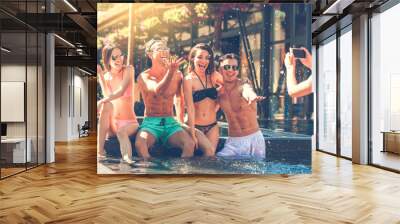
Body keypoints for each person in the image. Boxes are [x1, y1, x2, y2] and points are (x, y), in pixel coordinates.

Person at [135, 38, 195, 160]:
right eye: (159, 49)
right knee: (140, 144)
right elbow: (158, 91)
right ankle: (150, 172)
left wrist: (181, 121)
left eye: (165, 49)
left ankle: (181, 173)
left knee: (190, 144)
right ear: (150, 54)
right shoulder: (144, 76)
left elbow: (179, 98)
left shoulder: (177, 74)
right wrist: (170, 72)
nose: (164, 52)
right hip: (151, 122)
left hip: (170, 121)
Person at [216, 53, 266, 158]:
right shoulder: (218, 92)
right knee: (219, 160)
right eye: (227, 67)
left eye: (234, 67)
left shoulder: (243, 84)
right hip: (233, 142)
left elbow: (247, 91)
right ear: (219, 69)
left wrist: (252, 97)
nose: (230, 70)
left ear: (238, 71)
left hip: (254, 140)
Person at [97, 45, 138, 164]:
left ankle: (127, 158)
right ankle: (100, 151)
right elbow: (107, 95)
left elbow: (121, 91)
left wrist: (100, 101)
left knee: (121, 132)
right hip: (113, 125)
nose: (119, 59)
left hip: (130, 123)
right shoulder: (106, 76)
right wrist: (100, 75)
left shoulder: (128, 70)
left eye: (121, 55)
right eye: (114, 57)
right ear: (108, 60)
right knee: (107, 105)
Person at [183, 43, 223, 155]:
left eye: (207, 58)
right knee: (209, 151)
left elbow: (229, 88)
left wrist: (218, 103)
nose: (204, 61)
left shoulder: (214, 76)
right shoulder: (188, 80)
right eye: (200, 57)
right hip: (195, 126)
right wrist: (191, 133)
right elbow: (189, 108)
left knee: (209, 160)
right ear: (192, 59)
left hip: (212, 126)